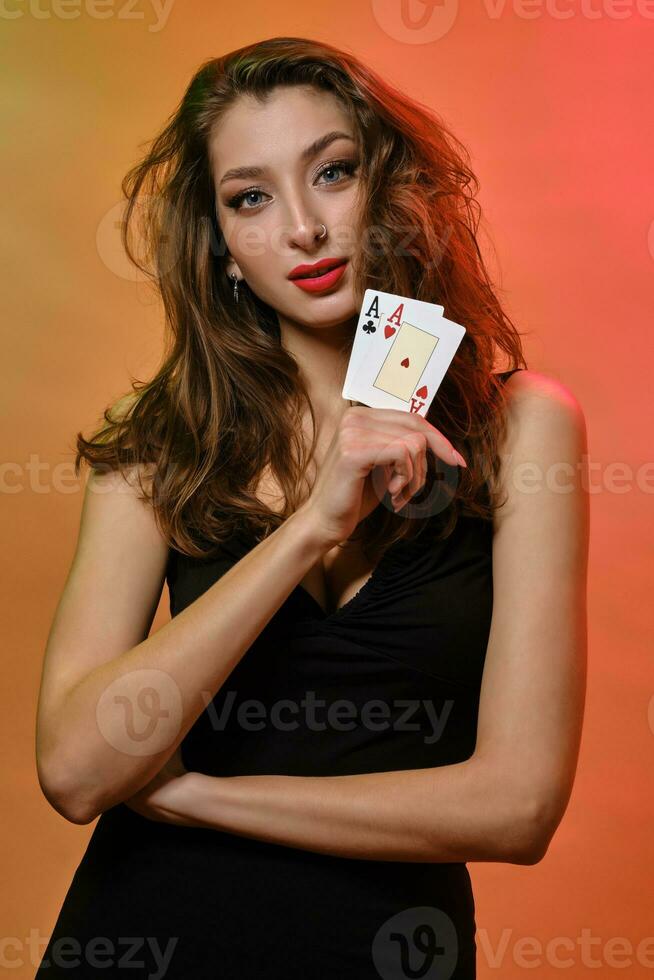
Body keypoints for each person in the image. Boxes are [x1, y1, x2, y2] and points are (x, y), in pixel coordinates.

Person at [34, 36, 589, 979]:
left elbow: (518, 808)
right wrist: (311, 528)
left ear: (391, 193)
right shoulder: (157, 439)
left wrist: (203, 798)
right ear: (223, 251)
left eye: (331, 173)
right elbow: (79, 771)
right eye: (252, 197)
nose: (302, 227)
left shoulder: (522, 425)